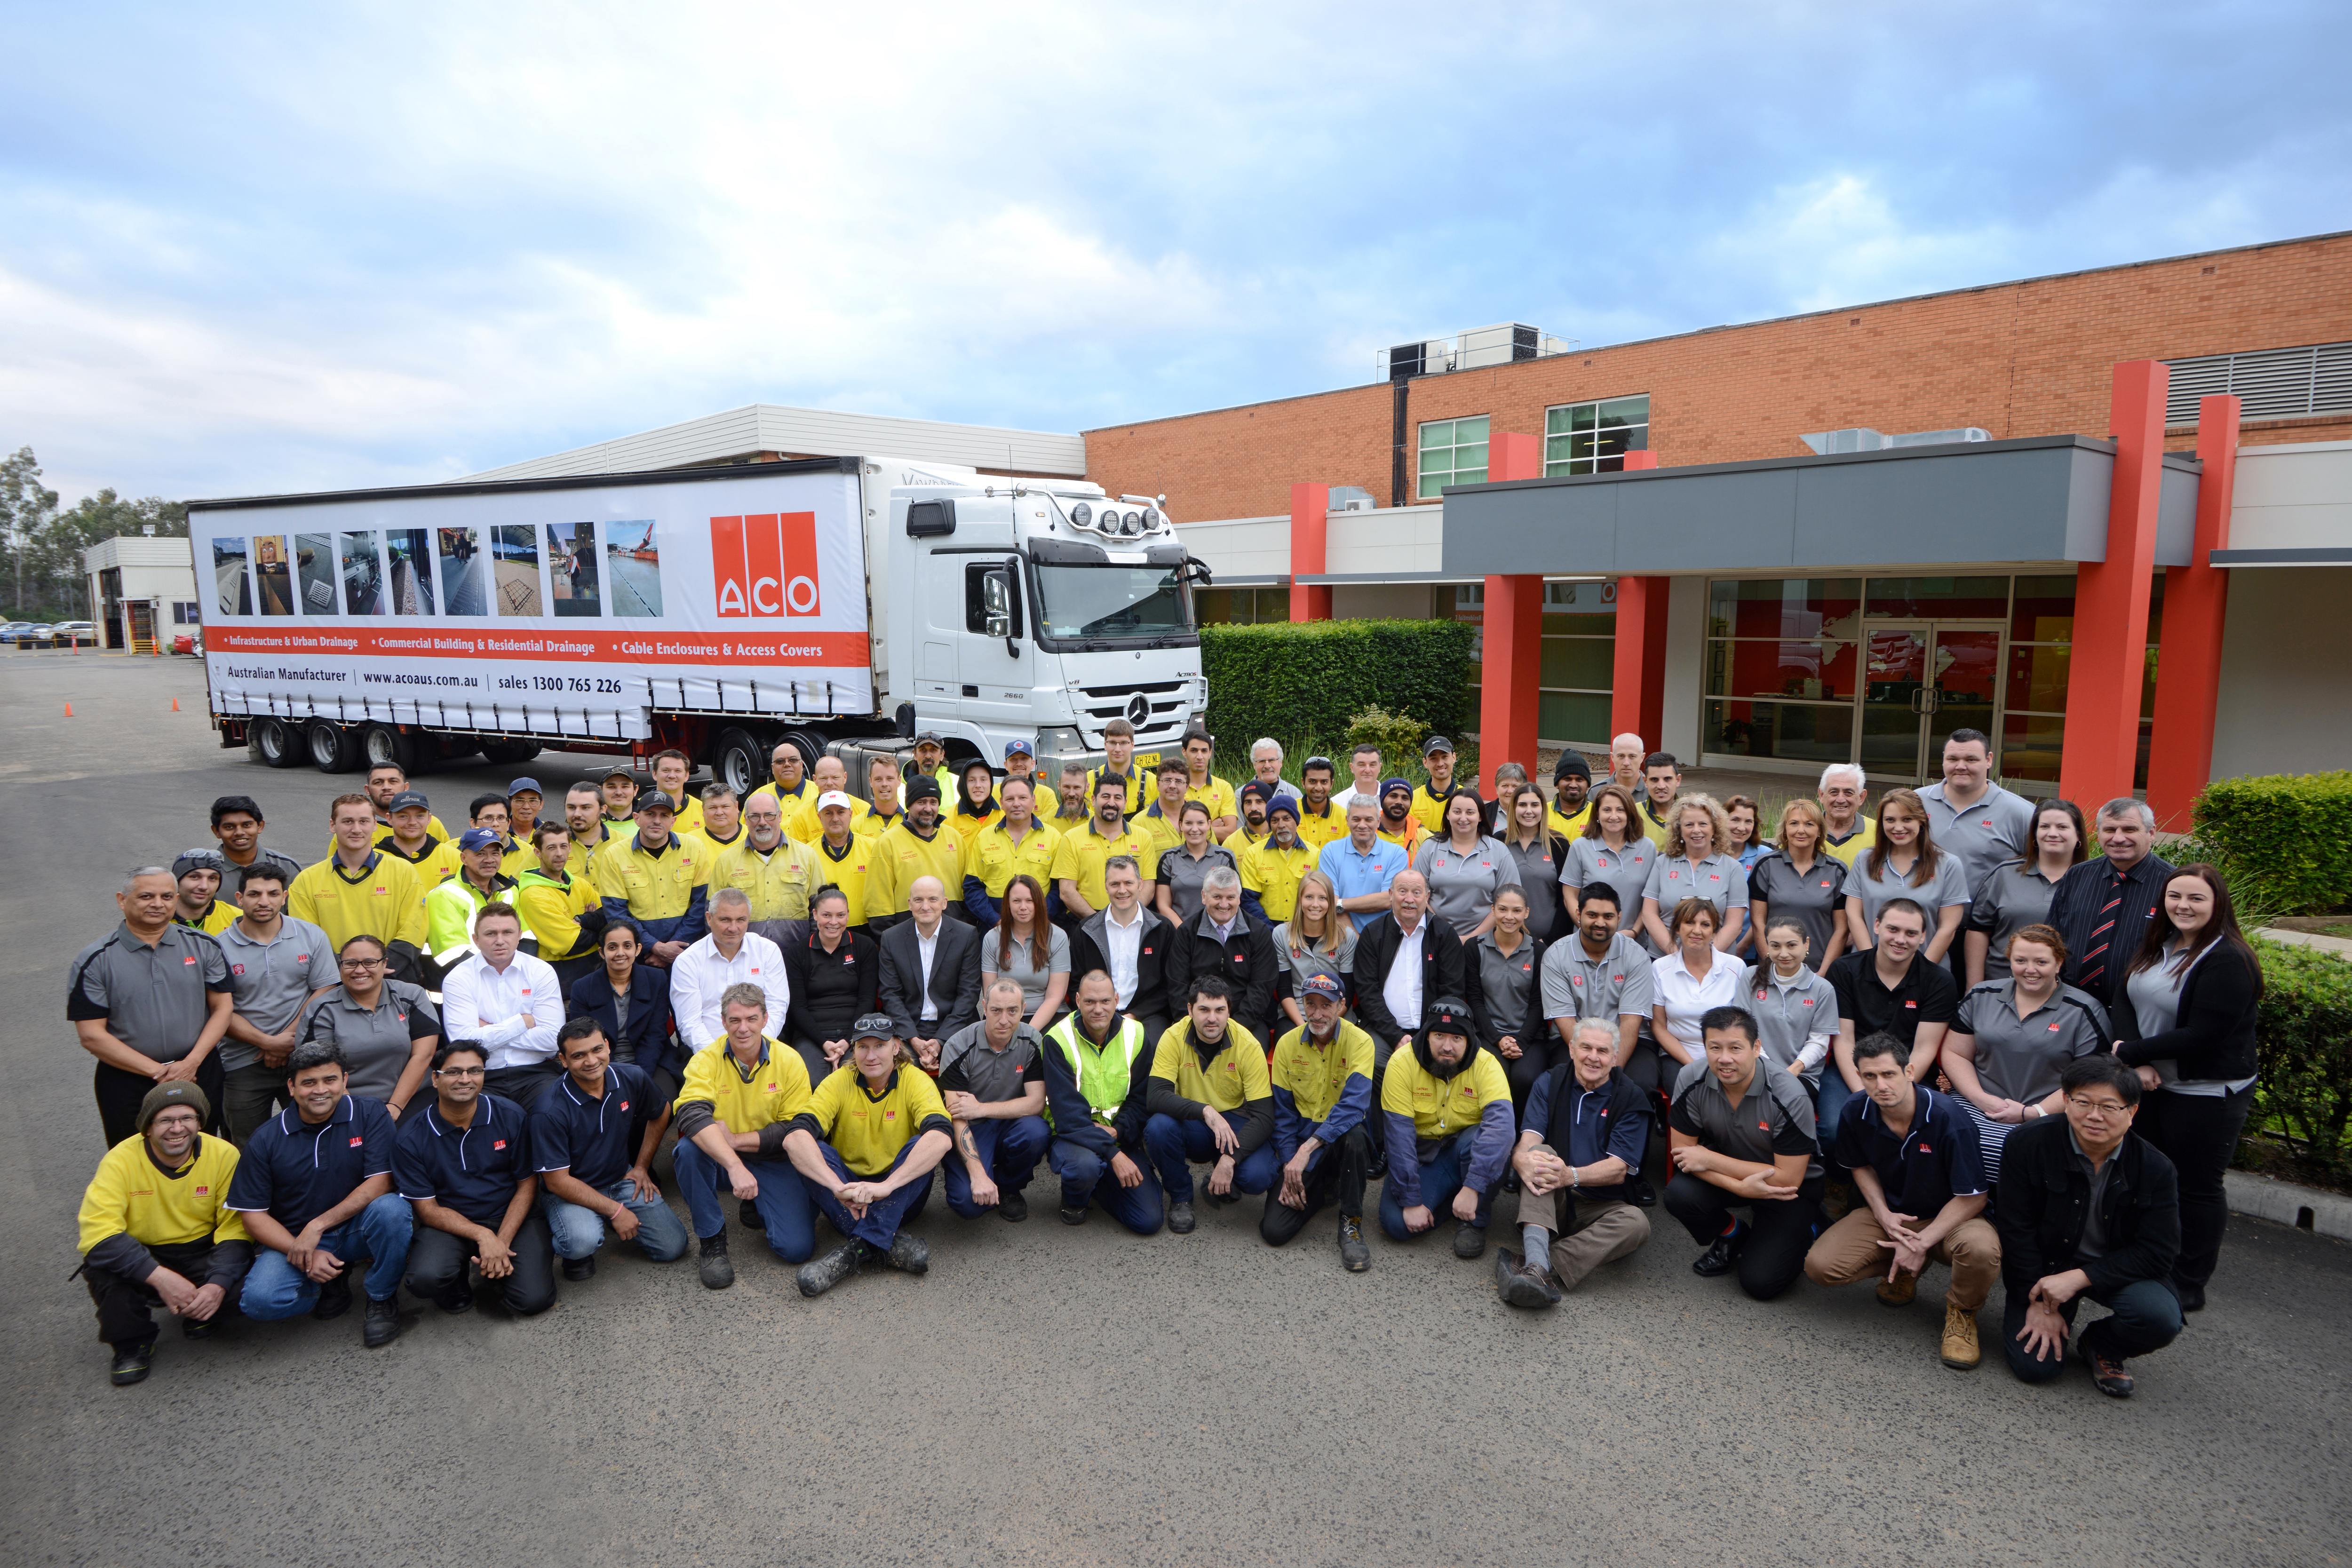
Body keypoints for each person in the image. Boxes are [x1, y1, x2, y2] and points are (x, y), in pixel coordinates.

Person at [2114, 863, 2263, 1314]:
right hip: (2153, 1085)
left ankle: (2190, 1281)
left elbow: (2206, 1034)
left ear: (2217, 903)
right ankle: (2146, 1258)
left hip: (2206, 1092)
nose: (2184, 905)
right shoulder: (2160, 944)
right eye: (2176, 896)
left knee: (2197, 1187)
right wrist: (2135, 1058)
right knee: (2149, 1177)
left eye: (2197, 898)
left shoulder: (2227, 958)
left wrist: (2132, 1051)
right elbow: (2123, 995)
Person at [1804, 1032, 1999, 1369]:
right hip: (1895, 1214)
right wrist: (1883, 1213)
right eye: (1870, 1076)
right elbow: (1859, 1166)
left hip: (1952, 1218)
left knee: (1981, 1251)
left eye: (1889, 1074)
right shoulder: (1855, 1110)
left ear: (1909, 1072)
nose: (1881, 1085)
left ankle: (1962, 1313)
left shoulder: (1948, 1117)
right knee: (1821, 1267)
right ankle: (1908, 1266)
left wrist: (1922, 1242)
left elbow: (1974, 1197)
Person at [1994, 1055, 2183, 1396]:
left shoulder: (2155, 1168)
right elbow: (2015, 1229)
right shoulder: (2027, 1143)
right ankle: (2046, 1314)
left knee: (2158, 1317)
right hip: (2045, 1269)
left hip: (2112, 1267)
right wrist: (2039, 1302)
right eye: (2083, 1102)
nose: (2094, 1116)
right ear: (2066, 1101)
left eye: (2110, 1107)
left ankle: (2103, 1343)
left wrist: (2081, 1277)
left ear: (2132, 1112)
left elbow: (2158, 1252)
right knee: (2035, 1369)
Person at [226, 1042, 412, 1348]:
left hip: (355, 1227)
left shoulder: (370, 1114)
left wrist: (319, 1225)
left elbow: (381, 1182)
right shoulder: (267, 1138)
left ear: (345, 1080)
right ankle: (324, 1282)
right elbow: (253, 1216)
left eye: (330, 1080)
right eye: (309, 1082)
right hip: (298, 1239)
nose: (320, 1090)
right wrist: (307, 1254)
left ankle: (381, 1296)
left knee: (393, 1210)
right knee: (260, 1301)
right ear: (291, 1086)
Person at [75, 1081, 249, 1385]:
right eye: (166, 1120)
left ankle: (201, 1309)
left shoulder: (224, 1154)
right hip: (143, 1252)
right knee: (102, 1268)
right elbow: (98, 1232)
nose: (177, 1128)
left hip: (201, 1249)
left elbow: (234, 1227)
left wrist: (217, 1285)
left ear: (200, 1122)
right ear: (147, 1128)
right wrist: (159, 1276)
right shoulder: (120, 1160)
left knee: (250, 1287)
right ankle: (132, 1343)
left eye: (187, 1118)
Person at [782, 1014, 957, 1296]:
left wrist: (885, 1186)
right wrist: (837, 1187)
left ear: (896, 1047)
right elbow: (794, 1138)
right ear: (853, 1049)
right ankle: (886, 1243)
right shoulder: (840, 1080)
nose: (871, 1055)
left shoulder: (915, 1080)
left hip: (899, 1193)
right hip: (848, 1195)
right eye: (863, 1047)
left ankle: (854, 1253)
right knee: (814, 1150)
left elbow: (941, 1138)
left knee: (920, 1145)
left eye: (880, 1046)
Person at [1663, 1006, 1823, 1299]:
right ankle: (1732, 1233)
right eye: (1715, 1048)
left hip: (1789, 1189)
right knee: (1679, 1194)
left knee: (1761, 1283)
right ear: (1705, 1048)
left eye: (1736, 1048)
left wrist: (1709, 1158)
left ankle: (1809, 1228)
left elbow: (1788, 1178)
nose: (1725, 1059)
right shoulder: (1690, 1078)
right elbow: (1682, 1152)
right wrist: (1739, 1187)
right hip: (1738, 1175)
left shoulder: (1790, 1094)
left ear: (1756, 1048)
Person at [392, 1040, 556, 1318]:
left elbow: (527, 1185)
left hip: (509, 1217)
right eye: (454, 1072)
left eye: (475, 1071)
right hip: (449, 1224)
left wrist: (500, 1243)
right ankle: (456, 1280)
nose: (465, 1079)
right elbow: (427, 1210)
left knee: (534, 1300)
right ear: (435, 1078)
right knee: (425, 1279)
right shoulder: (411, 1137)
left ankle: (498, 1267)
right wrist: (482, 1235)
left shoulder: (510, 1116)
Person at [71, 866, 234, 1146]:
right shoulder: (95, 960)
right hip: (127, 1079)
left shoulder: (205, 946)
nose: (158, 904)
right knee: (132, 1159)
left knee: (201, 1151)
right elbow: (91, 1035)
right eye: (147, 896)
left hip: (199, 1070)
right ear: (122, 900)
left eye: (167, 896)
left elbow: (223, 1009)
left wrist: (191, 1063)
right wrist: (159, 1072)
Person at [670, 984, 820, 1288]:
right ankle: (712, 1241)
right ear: (723, 1022)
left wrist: (737, 1141)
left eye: (752, 1019)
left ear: (765, 1019)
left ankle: (758, 1202)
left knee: (796, 1250)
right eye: (735, 1020)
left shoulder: (789, 1060)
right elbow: (691, 1114)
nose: (743, 1028)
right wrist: (735, 1165)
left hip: (771, 1158)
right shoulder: (705, 1061)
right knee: (688, 1151)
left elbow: (796, 1127)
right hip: (723, 1161)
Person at [1498, 1017, 1653, 1307]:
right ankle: (1536, 1263)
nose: (1593, 1057)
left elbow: (1618, 1169)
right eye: (1586, 1048)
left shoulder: (1631, 1098)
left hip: (1600, 1205)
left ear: (1615, 1057)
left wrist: (1571, 1175)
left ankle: (1538, 1266)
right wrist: (1520, 1160)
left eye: (1603, 1051)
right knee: (1539, 1154)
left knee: (1637, 1223)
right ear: (1571, 1049)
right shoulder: (1550, 1082)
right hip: (1553, 1196)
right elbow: (1530, 1138)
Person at [1943, 924, 2110, 1184]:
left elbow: (2089, 1080)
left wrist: (2032, 1113)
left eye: (2041, 962)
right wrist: (1982, 1099)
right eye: (2021, 960)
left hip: (2048, 1114)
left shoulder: (2083, 1010)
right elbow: (1955, 1053)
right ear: (2009, 960)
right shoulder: (1981, 995)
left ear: (2058, 964)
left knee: (2015, 1157)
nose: (2030, 970)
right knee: (1942, 1141)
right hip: (1977, 1103)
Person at [532, 1018, 687, 1280]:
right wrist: (616, 1211)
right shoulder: (548, 1111)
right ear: (563, 1060)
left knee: (673, 1247)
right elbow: (558, 1182)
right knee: (581, 1242)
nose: (591, 1061)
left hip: (620, 1178)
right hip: (570, 1191)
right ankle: (572, 1239)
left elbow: (662, 1112)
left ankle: (601, 1217)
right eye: (578, 1055)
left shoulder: (631, 1076)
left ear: (607, 1046)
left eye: (596, 1050)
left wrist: (641, 1167)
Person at [1822, 899, 1959, 1167]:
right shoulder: (1845, 970)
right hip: (1852, 1070)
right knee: (1833, 1128)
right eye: (1893, 930)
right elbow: (1844, 1041)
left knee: (1915, 1132)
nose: (1900, 940)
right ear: (1876, 926)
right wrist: (1867, 1091)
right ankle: (1842, 1182)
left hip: (1909, 1075)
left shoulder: (1939, 981)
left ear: (1923, 937)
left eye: (1910, 934)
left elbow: (1925, 1049)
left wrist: (1896, 1090)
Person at [1378, 995, 1511, 1257]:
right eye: (1439, 1035)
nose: (1447, 1047)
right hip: (1421, 1155)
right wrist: (1411, 1200)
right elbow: (1399, 1137)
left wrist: (1474, 1187)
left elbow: (1502, 1128)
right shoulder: (1402, 1063)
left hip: (1465, 1150)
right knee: (1396, 1224)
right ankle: (1453, 1201)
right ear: (1426, 1035)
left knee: (1489, 1140)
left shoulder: (1487, 1065)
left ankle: (1475, 1219)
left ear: (1470, 1040)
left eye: (1457, 1039)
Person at [214, 863, 337, 1144]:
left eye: (273, 894)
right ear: (239, 898)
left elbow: (325, 989)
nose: (264, 902)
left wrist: (287, 1040)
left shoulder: (312, 935)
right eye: (255, 894)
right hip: (242, 1061)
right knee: (246, 1144)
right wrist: (267, 1043)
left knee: (315, 1138)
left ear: (284, 897)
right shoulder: (218, 947)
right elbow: (220, 1009)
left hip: (305, 1055)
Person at [1144, 977, 1278, 1233]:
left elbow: (1264, 1117)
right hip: (1195, 1121)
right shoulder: (1172, 1037)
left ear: (1230, 1010)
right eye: (1204, 1010)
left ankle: (1227, 1175)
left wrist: (1230, 1160)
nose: (1212, 1019)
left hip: (1235, 1123)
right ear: (1190, 1009)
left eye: (1220, 1010)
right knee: (1158, 1128)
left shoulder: (1248, 1045)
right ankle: (1181, 1197)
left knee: (1257, 1177)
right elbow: (1156, 1096)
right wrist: (1206, 1111)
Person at [1261, 973, 1375, 1270]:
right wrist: (1290, 1168)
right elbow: (1283, 1115)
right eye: (1310, 1004)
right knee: (1274, 1231)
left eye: (1327, 1005)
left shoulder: (1361, 1042)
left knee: (1357, 1137)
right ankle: (1322, 1188)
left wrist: (1307, 1150)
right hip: (1301, 1145)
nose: (1317, 1013)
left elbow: (1353, 1107)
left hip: (1337, 1142)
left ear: (1342, 1006)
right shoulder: (1287, 1045)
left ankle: (1351, 1220)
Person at [1041, 970, 1164, 1232]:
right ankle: (1074, 1200)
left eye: (1106, 1001)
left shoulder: (1137, 1035)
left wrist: (1118, 1132)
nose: (1098, 1009)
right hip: (1074, 1139)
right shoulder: (1057, 1040)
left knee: (1149, 1222)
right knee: (1085, 1166)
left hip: (1121, 1134)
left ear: (1117, 999)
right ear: (1077, 1000)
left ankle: (1098, 1186)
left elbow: (1142, 1099)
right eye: (1090, 1002)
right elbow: (1066, 1116)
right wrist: (1112, 1153)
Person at [1539, 884, 1654, 1144]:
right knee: (1563, 1080)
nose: (1600, 923)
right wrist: (1588, 1062)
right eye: (1592, 915)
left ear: (1619, 918)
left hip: (1626, 1044)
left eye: (1608, 917)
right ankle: (1565, 1157)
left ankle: (1631, 1167)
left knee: (1641, 1085)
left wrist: (1607, 1072)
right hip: (1573, 1042)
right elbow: (1566, 1021)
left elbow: (1631, 1022)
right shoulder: (1556, 956)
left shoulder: (1636, 955)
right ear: (1578, 914)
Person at [938, 979, 1052, 1221]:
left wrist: (981, 1108)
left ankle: (1008, 1186)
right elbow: (958, 1118)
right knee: (969, 1206)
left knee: (1037, 1131)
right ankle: (981, 1176)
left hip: (1010, 1122)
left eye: (1012, 1011)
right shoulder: (957, 1046)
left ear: (1023, 1009)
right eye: (996, 1010)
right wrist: (978, 1175)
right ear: (984, 1007)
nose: (1004, 1020)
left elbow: (1036, 1104)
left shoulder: (1033, 1041)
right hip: (972, 1128)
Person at [2047, 798, 2177, 1011]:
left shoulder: (2172, 885)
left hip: (2137, 1012)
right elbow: (2052, 937)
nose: (2118, 838)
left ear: (2151, 833)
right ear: (2098, 833)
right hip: (2069, 1008)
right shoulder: (2078, 875)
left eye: (2129, 829)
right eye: (2109, 829)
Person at [287, 794, 429, 979]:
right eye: (348, 821)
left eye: (364, 821)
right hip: (334, 982)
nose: (356, 829)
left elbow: (414, 929)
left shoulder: (404, 872)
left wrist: (380, 967)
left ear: (375, 825)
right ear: (333, 825)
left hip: (394, 977)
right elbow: (307, 940)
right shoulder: (306, 881)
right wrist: (347, 971)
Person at [298, 934, 440, 1119]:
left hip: (414, 1097)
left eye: (370, 962)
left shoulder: (411, 995)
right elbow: (320, 1072)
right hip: (348, 1104)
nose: (359, 970)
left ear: (384, 964)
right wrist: (360, 1113)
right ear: (340, 965)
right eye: (350, 963)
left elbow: (423, 1055)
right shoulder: (321, 1009)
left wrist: (395, 1107)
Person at [1351, 869, 1467, 1093]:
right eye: (1402, 891)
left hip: (1434, 1030)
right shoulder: (1373, 934)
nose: (1409, 899)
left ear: (1427, 897)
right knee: (1372, 1061)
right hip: (1384, 1031)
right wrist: (1396, 1037)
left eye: (1416, 892)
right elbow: (1368, 992)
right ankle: (1383, 1126)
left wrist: (1428, 1035)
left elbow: (1451, 992)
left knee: (1441, 1064)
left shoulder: (1444, 934)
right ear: (1391, 895)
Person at [440, 904, 564, 1106]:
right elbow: (462, 1043)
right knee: (489, 1125)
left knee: (549, 1116)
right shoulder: (458, 979)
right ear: (476, 940)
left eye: (508, 932)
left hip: (538, 1072)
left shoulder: (541, 972)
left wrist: (487, 1030)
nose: (500, 941)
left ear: (519, 935)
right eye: (491, 934)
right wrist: (523, 1022)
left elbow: (552, 1039)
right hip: (481, 1076)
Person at [1966, 798, 2086, 985]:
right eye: (2045, 826)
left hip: (2066, 992)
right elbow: (1978, 931)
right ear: (2034, 834)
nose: (2052, 834)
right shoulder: (2004, 874)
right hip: (2000, 985)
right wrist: (1973, 987)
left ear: (2078, 835)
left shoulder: (2093, 881)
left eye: (2062, 827)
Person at [1845, 787, 1969, 966]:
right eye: (1890, 820)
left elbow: (1948, 928)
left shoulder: (1948, 865)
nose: (1898, 827)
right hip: (1867, 969)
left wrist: (1919, 973)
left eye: (1907, 819)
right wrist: (1871, 965)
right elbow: (1854, 915)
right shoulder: (1865, 860)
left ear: (1922, 821)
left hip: (1926, 972)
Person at [596, 786, 711, 969]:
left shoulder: (695, 848)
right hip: (640, 955)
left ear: (673, 821)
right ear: (637, 818)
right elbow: (616, 912)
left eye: (664, 816)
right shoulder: (615, 855)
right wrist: (655, 947)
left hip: (686, 951)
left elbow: (702, 904)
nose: (657, 821)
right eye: (650, 814)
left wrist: (674, 949)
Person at [1916, 728, 2036, 903]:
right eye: (1953, 759)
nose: (1961, 766)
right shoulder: (1915, 802)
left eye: (1971, 760)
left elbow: (2039, 870)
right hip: (1918, 924)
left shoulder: (2022, 813)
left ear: (1989, 760)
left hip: (1986, 927)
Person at [877, 875, 983, 1071]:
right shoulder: (892, 938)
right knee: (897, 1075)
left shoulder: (966, 935)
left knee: (969, 1073)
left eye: (933, 899)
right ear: (910, 904)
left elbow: (968, 994)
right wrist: (914, 1040)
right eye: (919, 900)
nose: (925, 906)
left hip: (954, 1025)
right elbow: (890, 994)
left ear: (944, 903)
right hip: (909, 1028)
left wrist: (940, 1041)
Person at [779, 887, 880, 1084]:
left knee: (854, 1081)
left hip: (857, 1032)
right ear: (815, 915)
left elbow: (867, 1000)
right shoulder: (797, 953)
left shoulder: (864, 946)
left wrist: (847, 1041)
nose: (834, 922)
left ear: (848, 916)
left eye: (840, 915)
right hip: (812, 1035)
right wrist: (825, 1044)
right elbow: (797, 1007)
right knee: (814, 1082)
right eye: (827, 915)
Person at [667, 887, 787, 1050]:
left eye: (741, 920)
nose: (733, 928)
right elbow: (690, 1023)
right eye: (725, 920)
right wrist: (720, 1059)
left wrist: (757, 1049)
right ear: (709, 919)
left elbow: (777, 1008)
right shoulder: (688, 961)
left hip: (761, 1049)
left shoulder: (767, 951)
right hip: (707, 1054)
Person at [1164, 868, 1279, 1035]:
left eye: (1230, 897)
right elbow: (1177, 985)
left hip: (1247, 1023)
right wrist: (1195, 1024)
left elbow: (1262, 988)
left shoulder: (1258, 932)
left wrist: (1234, 1029)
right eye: (1217, 897)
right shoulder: (1187, 932)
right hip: (1196, 1023)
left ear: (1239, 899)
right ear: (1204, 896)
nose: (1224, 904)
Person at [1069, 857, 1171, 1042]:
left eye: (1128, 883)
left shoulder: (1163, 929)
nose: (1122, 890)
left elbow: (1168, 986)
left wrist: (1134, 1016)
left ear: (1140, 884)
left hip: (1147, 1015)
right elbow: (1076, 982)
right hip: (1095, 1014)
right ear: (1106, 886)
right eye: (1115, 884)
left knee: (1154, 1048)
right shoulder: (1086, 930)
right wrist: (1101, 1012)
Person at [1650, 900, 1743, 1099]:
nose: (1697, 931)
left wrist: (1721, 1059)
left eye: (1706, 925)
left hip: (1726, 1055)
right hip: (1678, 1055)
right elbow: (1659, 1026)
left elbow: (1744, 1023)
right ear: (1677, 928)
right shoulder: (1660, 968)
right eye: (1689, 923)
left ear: (1714, 931)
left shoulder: (1736, 967)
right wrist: (1692, 1064)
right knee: (1690, 1096)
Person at [1745, 799, 1851, 974]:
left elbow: (1842, 929)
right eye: (1794, 824)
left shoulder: (1837, 870)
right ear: (1786, 829)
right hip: (1773, 969)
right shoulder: (1766, 865)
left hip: (1819, 970)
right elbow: (1758, 922)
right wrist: (1770, 967)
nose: (1801, 830)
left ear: (1819, 831)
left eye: (1809, 824)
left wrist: (1823, 974)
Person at [1740, 916, 1842, 1097]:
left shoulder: (1823, 989)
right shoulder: (1751, 976)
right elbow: (1744, 1030)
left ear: (1806, 944)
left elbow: (1818, 1043)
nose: (1784, 953)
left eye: (1792, 945)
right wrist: (1769, 1070)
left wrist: (1790, 1073)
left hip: (1801, 1075)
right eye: (1776, 946)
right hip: (1754, 1069)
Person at [1470, 886, 1549, 1119]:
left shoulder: (1539, 950)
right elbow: (1475, 1001)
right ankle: (1494, 1139)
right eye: (1503, 909)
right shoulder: (1474, 948)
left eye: (1517, 911)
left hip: (1530, 1038)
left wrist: (1520, 1041)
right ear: (1493, 910)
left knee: (1526, 1079)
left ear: (1526, 913)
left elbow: (1538, 1003)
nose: (1509, 917)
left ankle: (1522, 1138)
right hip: (1489, 1035)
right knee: (1495, 1078)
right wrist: (1498, 1039)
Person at [567, 921, 675, 1086]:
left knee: (661, 1101)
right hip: (599, 1065)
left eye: (627, 946)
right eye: (612, 947)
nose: (620, 953)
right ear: (602, 952)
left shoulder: (656, 979)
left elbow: (656, 1034)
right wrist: (618, 1075)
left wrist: (639, 1076)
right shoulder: (583, 988)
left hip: (651, 1062)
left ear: (638, 949)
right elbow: (584, 1040)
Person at [1639, 792, 1749, 954]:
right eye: (1689, 825)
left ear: (1715, 828)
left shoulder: (1732, 868)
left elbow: (1734, 925)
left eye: (1703, 824)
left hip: (1716, 963)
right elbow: (1649, 914)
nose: (1696, 830)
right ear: (1679, 830)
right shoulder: (1662, 864)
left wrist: (1704, 956)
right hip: (1665, 960)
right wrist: (1676, 955)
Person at [1415, 787, 1522, 944]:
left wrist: (1471, 939)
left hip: (1485, 941)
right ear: (1448, 815)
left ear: (1480, 816)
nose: (1463, 818)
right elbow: (1417, 895)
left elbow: (1509, 901)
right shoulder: (1430, 848)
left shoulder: (1498, 850)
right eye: (1457, 812)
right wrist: (1441, 931)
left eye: (1470, 813)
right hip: (1435, 938)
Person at [1054, 773, 1159, 923]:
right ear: (1094, 800)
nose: (1111, 803)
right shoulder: (1071, 838)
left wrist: (1129, 917)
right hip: (1085, 922)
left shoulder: (1144, 837)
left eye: (1118, 798)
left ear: (1125, 802)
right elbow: (1066, 891)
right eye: (1106, 797)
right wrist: (1100, 923)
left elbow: (1148, 887)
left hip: (1132, 920)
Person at [866, 774, 964, 931]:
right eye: (921, 802)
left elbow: (968, 888)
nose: (928, 808)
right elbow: (878, 902)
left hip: (953, 934)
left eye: (933, 802)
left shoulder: (955, 838)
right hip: (907, 937)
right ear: (909, 805)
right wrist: (889, 939)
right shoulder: (888, 842)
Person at [1560, 783, 1656, 940]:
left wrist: (1634, 933)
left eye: (1620, 810)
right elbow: (1570, 895)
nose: (1614, 816)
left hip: (1634, 943)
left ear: (1630, 813)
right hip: (1589, 940)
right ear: (1597, 814)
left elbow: (1651, 900)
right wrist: (1587, 928)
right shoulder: (1581, 846)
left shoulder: (1647, 848)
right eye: (1607, 810)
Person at [515, 823, 604, 991]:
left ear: (570, 848)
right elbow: (572, 944)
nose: (559, 853)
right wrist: (596, 923)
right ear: (538, 853)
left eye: (563, 846)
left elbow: (610, 918)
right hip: (562, 983)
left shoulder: (580, 884)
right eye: (551, 848)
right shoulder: (533, 895)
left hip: (595, 975)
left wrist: (583, 921)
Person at [963, 775, 1062, 927]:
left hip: (1040, 927)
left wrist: (1040, 918)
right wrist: (995, 921)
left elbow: (1058, 889)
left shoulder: (1053, 837)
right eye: (1010, 799)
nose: (1016, 804)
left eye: (1023, 798)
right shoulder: (984, 837)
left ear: (1033, 801)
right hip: (994, 929)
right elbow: (972, 887)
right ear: (1001, 803)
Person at [422, 827, 519, 977]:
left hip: (508, 979)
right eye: (480, 854)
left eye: (495, 853)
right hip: (462, 986)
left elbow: (525, 940)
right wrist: (497, 976)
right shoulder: (443, 894)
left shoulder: (510, 891)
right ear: (463, 858)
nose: (489, 860)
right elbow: (453, 954)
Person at [1271, 868, 1356, 1034]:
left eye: (1322, 898)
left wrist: (1327, 1024)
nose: (1315, 904)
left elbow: (1348, 992)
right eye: (1309, 897)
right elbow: (1285, 990)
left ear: (1330, 902)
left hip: (1336, 1016)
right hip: (1296, 1015)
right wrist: (1304, 1027)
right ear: (1300, 900)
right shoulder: (1281, 934)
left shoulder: (1346, 936)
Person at [983, 875, 1070, 1033]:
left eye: (1030, 901)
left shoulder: (1057, 937)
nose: (1023, 907)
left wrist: (1029, 1032)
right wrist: (1008, 1024)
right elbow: (991, 995)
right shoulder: (992, 938)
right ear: (1008, 904)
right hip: (1004, 1017)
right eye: (1017, 901)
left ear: (1039, 903)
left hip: (1048, 1016)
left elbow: (1055, 997)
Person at [1319, 797, 1409, 932]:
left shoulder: (1397, 854)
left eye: (1369, 820)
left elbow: (1388, 900)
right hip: (1343, 938)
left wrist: (1340, 904)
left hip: (1384, 937)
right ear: (1347, 820)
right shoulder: (1330, 851)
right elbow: (1329, 902)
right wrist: (1356, 942)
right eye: (1356, 819)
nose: (1362, 825)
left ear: (1379, 821)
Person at [1495, 781, 1571, 943]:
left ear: (1543, 809)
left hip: (1548, 942)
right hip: (1503, 941)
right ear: (1513, 808)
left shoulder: (1559, 844)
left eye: (1535, 805)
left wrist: (1550, 939)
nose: (1529, 811)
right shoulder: (1498, 842)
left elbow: (1566, 898)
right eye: (1522, 805)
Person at [1155, 798, 1239, 928]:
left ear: (1209, 824)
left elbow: (1233, 900)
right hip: (1178, 932)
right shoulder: (1169, 858)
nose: (1195, 829)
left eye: (1201, 823)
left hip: (1218, 931)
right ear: (1181, 825)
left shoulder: (1225, 857)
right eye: (1189, 823)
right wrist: (1184, 932)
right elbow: (1163, 906)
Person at [1238, 795, 1315, 929]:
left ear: (1297, 821)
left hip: (1305, 928)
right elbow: (1249, 900)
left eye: (1287, 819)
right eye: (1275, 820)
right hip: (1265, 929)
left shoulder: (1315, 855)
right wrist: (1270, 932)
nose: (1281, 825)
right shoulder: (1253, 854)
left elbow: (1318, 900)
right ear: (1270, 824)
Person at [804, 789, 876, 928]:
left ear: (851, 815)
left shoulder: (872, 848)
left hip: (866, 932)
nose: (835, 818)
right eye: (829, 813)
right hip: (824, 931)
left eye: (841, 812)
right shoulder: (808, 853)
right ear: (820, 818)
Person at [210, 794, 306, 887]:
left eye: (247, 825)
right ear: (216, 831)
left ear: (260, 826)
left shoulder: (288, 867)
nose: (239, 832)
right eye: (229, 827)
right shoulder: (205, 870)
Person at [378, 788, 461, 888]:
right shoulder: (376, 859)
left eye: (420, 816)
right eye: (403, 816)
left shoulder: (454, 858)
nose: (412, 822)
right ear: (389, 819)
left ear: (429, 818)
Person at [787, 756, 876, 843]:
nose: (829, 783)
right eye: (823, 778)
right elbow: (796, 855)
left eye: (835, 778)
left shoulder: (864, 809)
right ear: (815, 780)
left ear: (845, 777)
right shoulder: (801, 816)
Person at [1817, 763, 1877, 868]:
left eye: (1848, 793)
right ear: (1822, 795)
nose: (1841, 800)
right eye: (1834, 792)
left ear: (1861, 797)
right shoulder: (1803, 831)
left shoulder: (1879, 832)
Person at [464, 790, 534, 880]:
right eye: (488, 818)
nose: (495, 824)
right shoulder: (453, 850)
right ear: (473, 823)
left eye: (501, 818)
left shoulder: (527, 852)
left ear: (509, 823)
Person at [1135, 755, 1194, 862]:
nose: (1172, 786)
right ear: (1158, 785)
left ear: (1187, 787)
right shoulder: (1139, 823)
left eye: (1179, 781)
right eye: (1167, 780)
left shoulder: (1200, 818)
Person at [1085, 716, 1145, 817]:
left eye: (1124, 743)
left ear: (1133, 745)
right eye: (1112, 743)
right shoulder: (1088, 781)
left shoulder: (1150, 781)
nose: (1118, 749)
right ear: (1105, 745)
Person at [168, 849, 238, 936]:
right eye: (195, 877)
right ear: (176, 881)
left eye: (212, 878)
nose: (204, 887)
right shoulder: (156, 918)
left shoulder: (239, 920)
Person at [645, 748, 707, 836]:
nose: (672, 776)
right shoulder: (639, 808)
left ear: (687, 776)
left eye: (678, 771)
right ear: (655, 774)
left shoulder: (702, 810)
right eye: (666, 770)